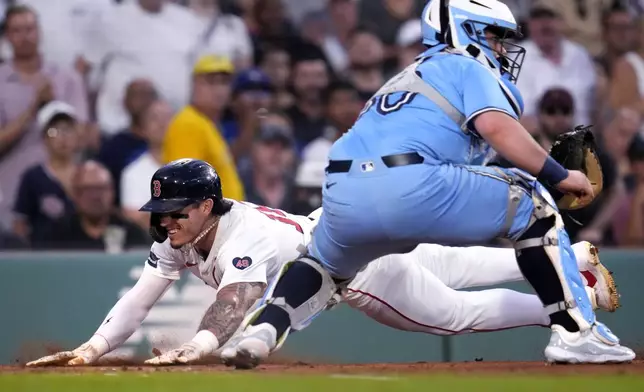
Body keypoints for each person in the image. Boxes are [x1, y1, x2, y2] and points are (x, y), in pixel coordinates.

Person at [224, 0, 635, 367]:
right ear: (466, 32)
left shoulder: (404, 78)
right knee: (534, 201)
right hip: (412, 181)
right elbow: (496, 127)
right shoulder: (463, 64)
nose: (502, 48)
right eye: (495, 36)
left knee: (320, 264)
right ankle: (576, 334)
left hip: (344, 189)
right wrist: (560, 175)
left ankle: (261, 330)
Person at [24, 159, 619, 367]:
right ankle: (571, 262)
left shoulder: (240, 234)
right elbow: (140, 297)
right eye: (161, 210)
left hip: (350, 269)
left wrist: (200, 346)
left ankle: (579, 301)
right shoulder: (181, 232)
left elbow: (234, 303)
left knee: (454, 315)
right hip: (342, 235)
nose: (166, 219)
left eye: (176, 210)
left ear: (206, 205)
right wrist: (93, 347)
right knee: (449, 263)